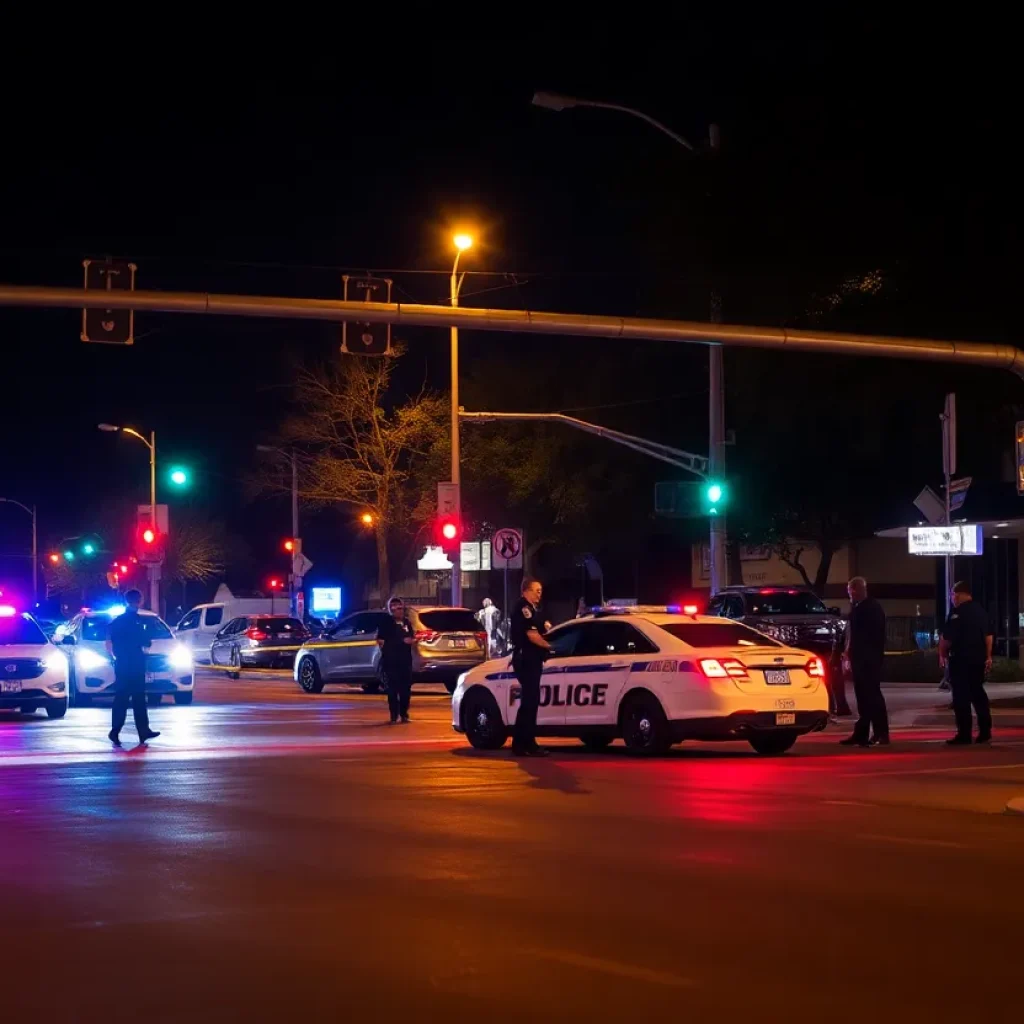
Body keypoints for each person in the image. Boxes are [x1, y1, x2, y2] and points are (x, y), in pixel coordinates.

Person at [939, 580, 993, 745]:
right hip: (977, 659)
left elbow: (947, 638)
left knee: (961, 698)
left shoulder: (957, 613)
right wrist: (988, 656)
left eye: (953, 595)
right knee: (978, 695)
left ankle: (964, 734)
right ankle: (985, 731)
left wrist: (942, 654)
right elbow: (988, 636)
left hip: (960, 660)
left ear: (960, 594)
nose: (952, 598)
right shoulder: (981, 611)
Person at [105, 589, 160, 747]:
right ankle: (142, 730)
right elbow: (144, 640)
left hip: (122, 663)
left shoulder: (118, 621)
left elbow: (111, 638)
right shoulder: (136, 620)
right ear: (140, 600)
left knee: (121, 698)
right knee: (138, 698)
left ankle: (116, 730)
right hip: (135, 663)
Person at [839, 576, 889, 747]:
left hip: (869, 660)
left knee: (872, 696)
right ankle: (862, 734)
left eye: (849, 591)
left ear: (855, 590)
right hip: (861, 659)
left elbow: (867, 637)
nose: (849, 595)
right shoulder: (859, 608)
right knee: (863, 698)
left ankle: (881, 733)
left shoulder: (871, 609)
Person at [510, 577, 553, 757]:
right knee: (529, 701)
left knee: (530, 701)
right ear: (526, 590)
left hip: (533, 659)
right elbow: (532, 635)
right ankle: (525, 743)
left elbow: (544, 628)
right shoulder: (523, 608)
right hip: (526, 659)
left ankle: (523, 743)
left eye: (541, 590)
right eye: (536, 590)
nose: (539, 593)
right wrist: (551, 647)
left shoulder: (535, 610)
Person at [377, 596, 415, 724]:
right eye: (396, 608)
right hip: (391, 661)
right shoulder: (386, 623)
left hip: (405, 661)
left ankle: (404, 714)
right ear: (391, 609)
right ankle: (394, 715)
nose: (399, 610)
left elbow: (411, 636)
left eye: (401, 608)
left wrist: (412, 641)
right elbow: (380, 641)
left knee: (406, 689)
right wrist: (399, 642)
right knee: (393, 689)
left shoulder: (406, 622)